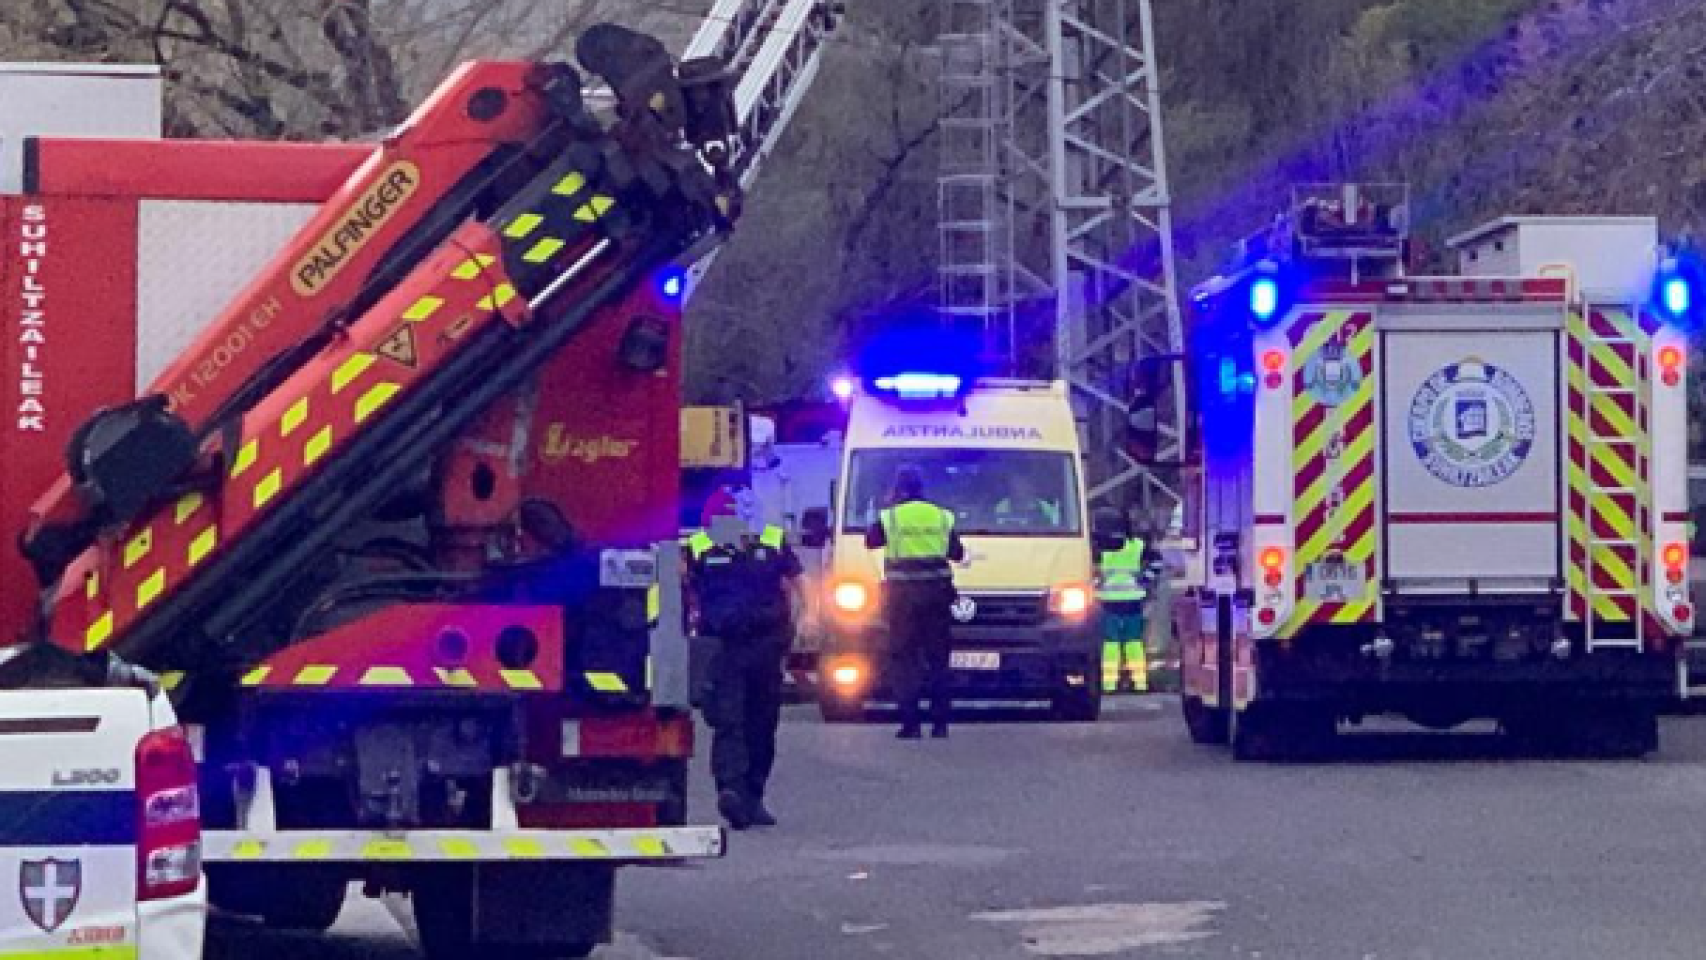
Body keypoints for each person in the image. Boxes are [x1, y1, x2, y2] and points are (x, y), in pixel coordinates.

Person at [687, 508, 803, 830]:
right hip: (724, 646)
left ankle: (753, 794)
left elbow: (797, 587)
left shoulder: (773, 540)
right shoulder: (699, 546)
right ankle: (731, 790)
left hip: (766, 644)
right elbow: (685, 592)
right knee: (729, 721)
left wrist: (797, 630)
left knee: (762, 723)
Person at [864, 467, 965, 739]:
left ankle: (911, 723)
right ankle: (940, 724)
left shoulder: (891, 517)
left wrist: (888, 505)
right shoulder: (941, 516)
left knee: (905, 660)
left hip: (903, 601)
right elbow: (957, 553)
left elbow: (870, 541)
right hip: (937, 598)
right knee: (938, 660)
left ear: (899, 490)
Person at [1093, 508, 1149, 694]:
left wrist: (1095, 585)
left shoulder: (1098, 549)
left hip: (1107, 601)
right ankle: (1140, 682)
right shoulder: (1138, 546)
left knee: (1111, 643)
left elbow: (1093, 572)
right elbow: (1156, 563)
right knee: (1133, 641)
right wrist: (1146, 582)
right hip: (1134, 600)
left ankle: (1109, 684)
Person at [995, 473, 1062, 528]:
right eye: (1016, 485)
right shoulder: (1001, 507)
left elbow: (1054, 525)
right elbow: (999, 529)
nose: (1019, 489)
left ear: (1030, 486)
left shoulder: (1044, 506)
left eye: (1023, 485)